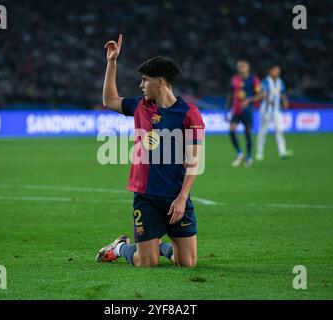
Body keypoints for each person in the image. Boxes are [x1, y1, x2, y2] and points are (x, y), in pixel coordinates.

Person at [96, 34, 205, 267]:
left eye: (145, 80)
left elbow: (195, 161)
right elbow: (109, 100)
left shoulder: (189, 113)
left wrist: (182, 198)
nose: (141, 85)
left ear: (161, 82)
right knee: (147, 263)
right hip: (146, 195)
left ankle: (160, 246)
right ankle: (120, 247)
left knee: (187, 263)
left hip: (175, 194)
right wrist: (111, 63)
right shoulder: (140, 106)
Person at [226, 60, 262, 168]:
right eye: (239, 66)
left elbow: (260, 95)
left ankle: (249, 157)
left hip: (247, 110)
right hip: (236, 109)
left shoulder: (253, 79)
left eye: (243, 66)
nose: (241, 67)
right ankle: (239, 153)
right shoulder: (234, 79)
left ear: (248, 68)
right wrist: (227, 108)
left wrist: (249, 100)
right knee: (231, 130)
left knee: (247, 133)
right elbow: (231, 94)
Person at [256, 65, 293, 160]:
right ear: (270, 71)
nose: (277, 73)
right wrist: (268, 100)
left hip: (277, 110)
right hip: (266, 110)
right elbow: (262, 93)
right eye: (276, 71)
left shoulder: (280, 81)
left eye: (278, 71)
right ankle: (259, 153)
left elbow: (282, 93)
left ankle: (282, 152)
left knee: (280, 130)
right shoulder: (265, 81)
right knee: (263, 131)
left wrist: (285, 101)